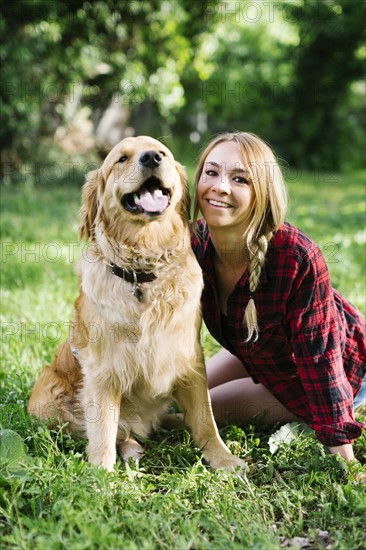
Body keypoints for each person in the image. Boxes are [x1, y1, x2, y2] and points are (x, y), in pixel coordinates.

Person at [191, 131, 366, 462]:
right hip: (259, 351)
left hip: (328, 371)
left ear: (262, 193)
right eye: (211, 172)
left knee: (197, 411)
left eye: (239, 178)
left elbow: (321, 361)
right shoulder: (194, 244)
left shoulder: (297, 257)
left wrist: (346, 460)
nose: (220, 186)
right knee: (183, 393)